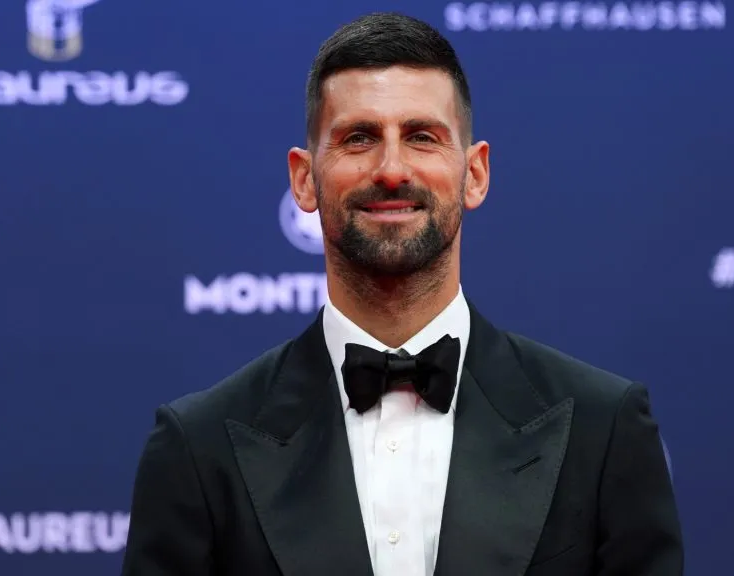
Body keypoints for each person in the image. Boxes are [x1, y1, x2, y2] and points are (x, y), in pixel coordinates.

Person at [120, 12, 683, 576]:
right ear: (304, 179)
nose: (391, 169)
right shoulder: (198, 447)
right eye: (358, 138)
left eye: (421, 137)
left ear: (475, 173)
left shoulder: (603, 428)